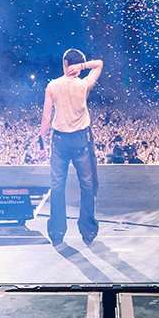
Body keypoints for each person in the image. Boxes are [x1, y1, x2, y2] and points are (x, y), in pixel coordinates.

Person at [41, 48, 105, 245]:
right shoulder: (83, 85)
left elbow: (46, 117)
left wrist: (42, 135)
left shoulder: (52, 85)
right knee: (87, 185)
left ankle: (57, 232)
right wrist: (83, 66)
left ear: (65, 63)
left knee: (57, 185)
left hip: (60, 141)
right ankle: (88, 231)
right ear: (76, 65)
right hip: (81, 141)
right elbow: (99, 64)